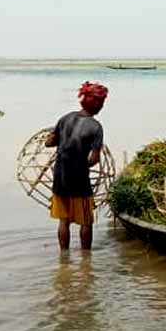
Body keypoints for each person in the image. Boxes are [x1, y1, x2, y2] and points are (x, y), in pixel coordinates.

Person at [45, 82, 107, 251]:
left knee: (63, 221)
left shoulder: (65, 118)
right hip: (79, 179)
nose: (102, 105)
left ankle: (63, 257)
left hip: (60, 176)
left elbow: (49, 142)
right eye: (101, 102)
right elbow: (94, 159)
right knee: (86, 221)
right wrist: (82, 165)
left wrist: (54, 136)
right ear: (97, 104)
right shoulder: (96, 127)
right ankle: (86, 259)